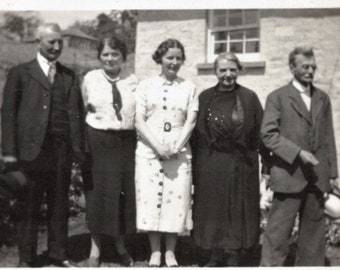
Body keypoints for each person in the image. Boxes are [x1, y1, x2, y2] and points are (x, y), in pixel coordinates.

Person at [1, 23, 85, 267]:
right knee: (29, 207)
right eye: (51, 42)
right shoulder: (20, 73)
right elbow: (7, 115)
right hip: (30, 154)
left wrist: (78, 150)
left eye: (59, 42)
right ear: (38, 42)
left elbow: (76, 114)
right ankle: (27, 260)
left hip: (60, 152)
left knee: (59, 206)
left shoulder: (68, 76)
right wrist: (9, 155)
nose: (56, 47)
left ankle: (58, 254)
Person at [260, 46, 339, 266]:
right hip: (288, 175)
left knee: (313, 236)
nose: (310, 71)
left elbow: (328, 137)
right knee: (277, 233)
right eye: (305, 67)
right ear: (292, 68)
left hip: (317, 177)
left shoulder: (322, 98)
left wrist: (332, 172)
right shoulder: (277, 97)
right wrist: (297, 153)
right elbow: (268, 135)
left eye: (313, 67)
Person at [192, 52, 270, 267]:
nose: (228, 74)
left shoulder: (249, 97)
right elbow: (196, 133)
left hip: (241, 162)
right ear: (215, 72)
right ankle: (215, 255)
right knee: (214, 210)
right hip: (212, 162)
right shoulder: (205, 97)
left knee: (237, 210)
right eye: (223, 70)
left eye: (232, 70)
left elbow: (260, 134)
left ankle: (234, 255)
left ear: (239, 71)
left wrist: (266, 166)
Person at [135, 39, 198, 267]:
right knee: (151, 200)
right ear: (160, 58)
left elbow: (190, 122)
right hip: (149, 152)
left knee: (176, 201)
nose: (174, 62)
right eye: (169, 57)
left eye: (178, 58)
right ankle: (155, 252)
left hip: (178, 154)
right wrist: (157, 147)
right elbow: (139, 120)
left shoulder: (189, 87)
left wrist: (176, 147)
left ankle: (170, 251)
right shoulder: (145, 86)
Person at [76, 37, 138, 267]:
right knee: (97, 195)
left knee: (123, 195)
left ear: (123, 56)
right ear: (99, 56)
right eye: (105, 54)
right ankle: (96, 248)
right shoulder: (90, 79)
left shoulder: (133, 81)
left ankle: (120, 245)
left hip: (125, 143)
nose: (110, 58)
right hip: (97, 142)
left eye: (115, 54)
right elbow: (79, 111)